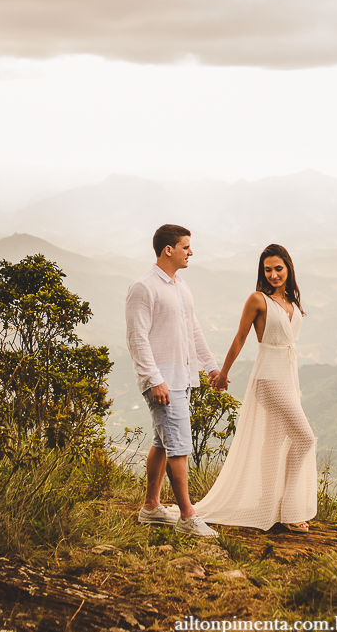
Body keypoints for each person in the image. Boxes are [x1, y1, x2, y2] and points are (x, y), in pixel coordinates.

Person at [194, 244, 317, 532]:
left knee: (273, 443)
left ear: (288, 268)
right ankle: (289, 507)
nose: (274, 274)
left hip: (288, 377)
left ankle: (268, 504)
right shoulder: (258, 300)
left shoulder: (291, 302)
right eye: (268, 270)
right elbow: (239, 338)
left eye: (278, 268)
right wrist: (223, 374)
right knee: (305, 438)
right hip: (268, 378)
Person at [126, 225, 221, 538]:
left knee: (162, 442)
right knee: (178, 445)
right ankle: (187, 515)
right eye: (186, 247)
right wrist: (155, 379)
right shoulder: (144, 287)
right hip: (162, 381)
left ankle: (151, 507)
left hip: (182, 377)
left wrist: (210, 366)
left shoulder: (181, 287)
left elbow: (193, 330)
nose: (190, 252)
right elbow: (137, 337)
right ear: (168, 249)